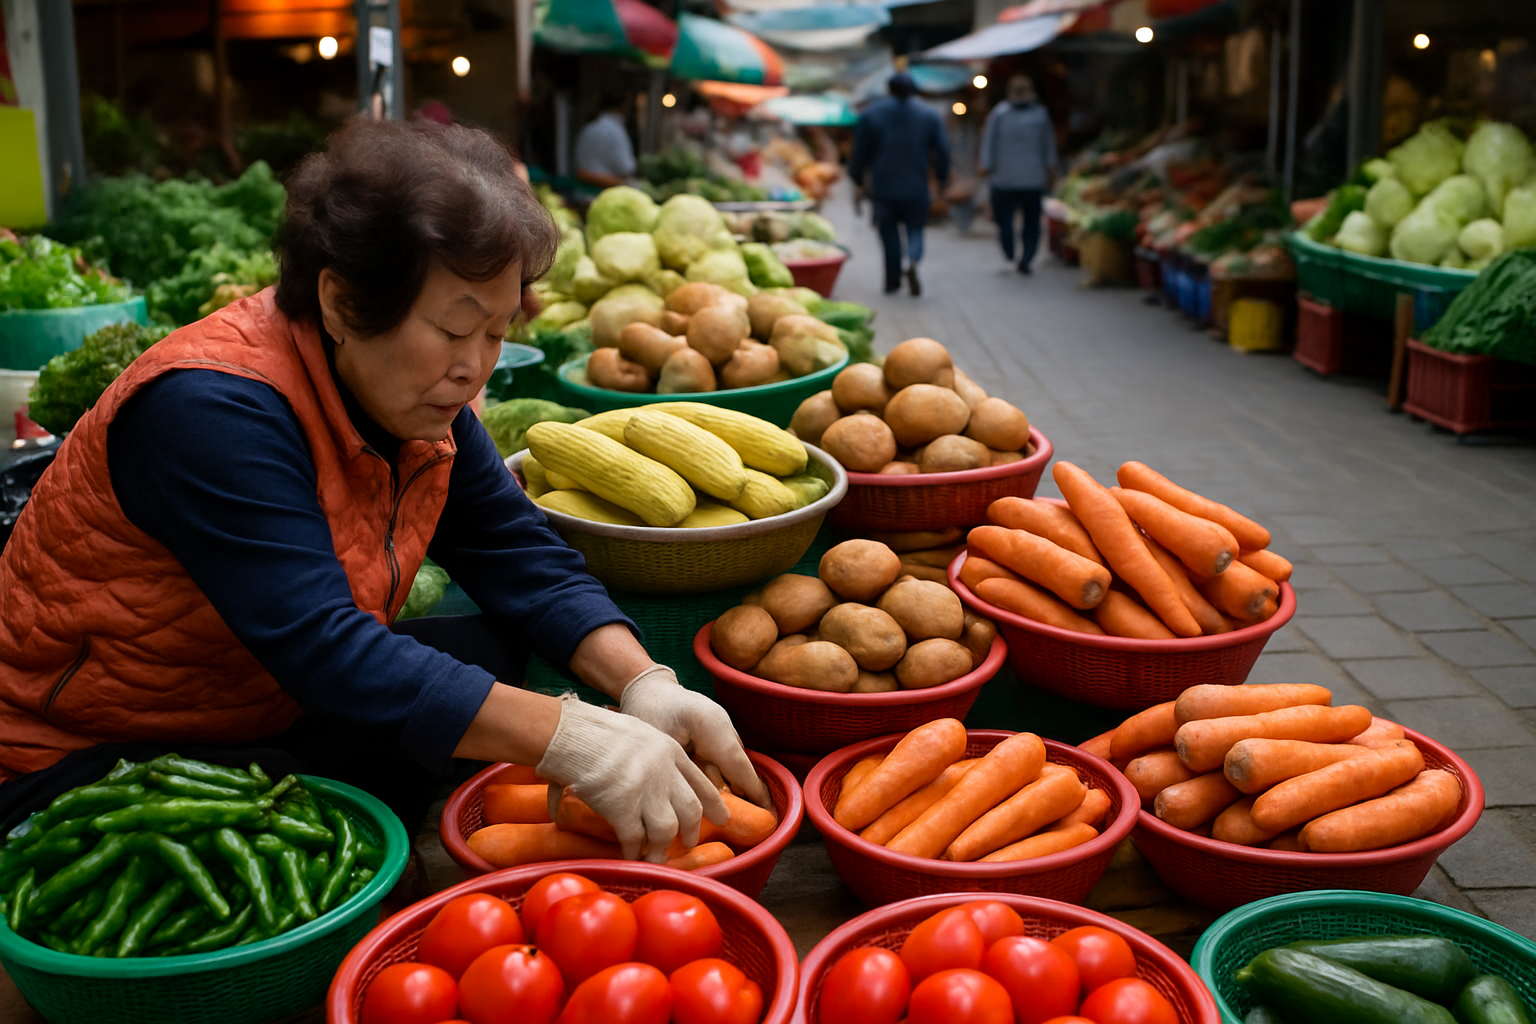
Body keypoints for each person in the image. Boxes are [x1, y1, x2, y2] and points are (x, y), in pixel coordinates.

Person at [0, 119, 768, 864]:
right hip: (88, 746)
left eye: (497, 332)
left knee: (497, 648)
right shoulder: (210, 410)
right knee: (384, 823)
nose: (477, 368)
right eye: (454, 328)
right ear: (340, 303)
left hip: (252, 695)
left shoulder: (419, 396)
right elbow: (327, 649)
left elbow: (511, 548)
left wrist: (644, 681)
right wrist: (570, 736)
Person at [849, 73, 951, 296]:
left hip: (883, 187)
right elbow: (943, 150)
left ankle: (893, 279)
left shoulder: (872, 113)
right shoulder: (929, 115)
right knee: (916, 229)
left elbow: (860, 152)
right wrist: (942, 179)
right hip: (916, 187)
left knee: (889, 234)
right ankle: (912, 259)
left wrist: (857, 179)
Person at [979, 75, 1058, 274]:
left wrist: (986, 166)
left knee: (1007, 219)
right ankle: (1025, 256)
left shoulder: (1000, 114)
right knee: (1028, 221)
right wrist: (1050, 169)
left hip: (1006, 179)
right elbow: (1049, 148)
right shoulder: (1038, 114)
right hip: (1029, 178)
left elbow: (988, 143)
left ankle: (1016, 253)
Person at [575, 93, 637, 189]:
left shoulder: (589, 127)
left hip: (582, 189)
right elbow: (626, 168)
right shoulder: (616, 130)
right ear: (622, 107)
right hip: (607, 189)